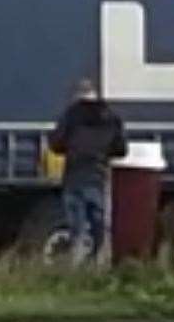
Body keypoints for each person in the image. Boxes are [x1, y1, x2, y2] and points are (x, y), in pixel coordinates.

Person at [49, 78, 127, 265]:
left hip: (74, 176)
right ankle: (99, 260)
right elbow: (121, 149)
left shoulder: (71, 115)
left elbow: (56, 144)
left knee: (77, 225)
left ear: (78, 95)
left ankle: (77, 263)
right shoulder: (110, 117)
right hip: (97, 176)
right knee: (99, 222)